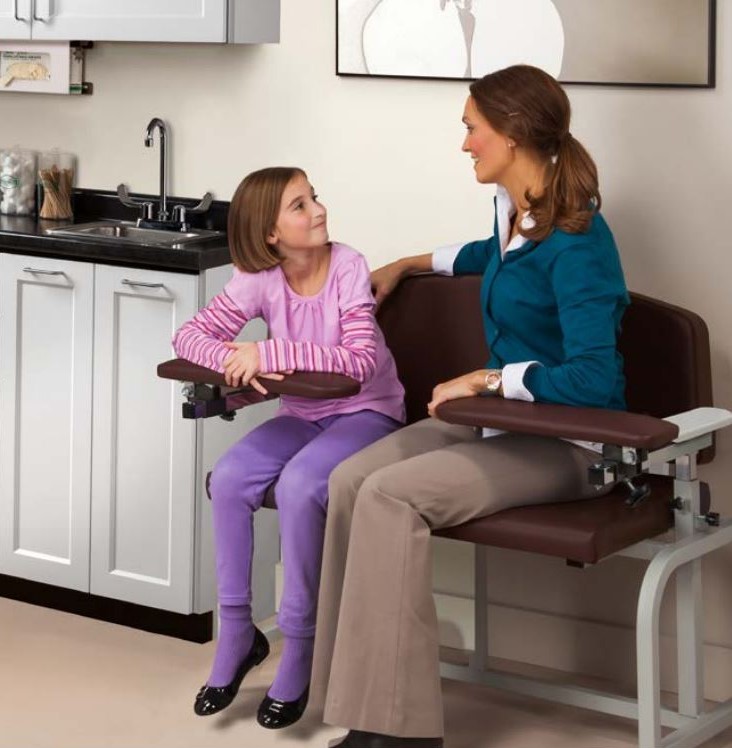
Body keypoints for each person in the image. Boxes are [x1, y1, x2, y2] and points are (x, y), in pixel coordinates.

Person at [310, 64, 629, 748]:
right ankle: (354, 704)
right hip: (500, 430)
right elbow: (495, 256)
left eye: (471, 128)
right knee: (349, 482)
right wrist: (410, 262)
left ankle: (401, 732)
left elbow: (595, 378)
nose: (465, 144)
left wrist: (490, 381)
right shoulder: (519, 216)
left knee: (393, 498)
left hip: (570, 446)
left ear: (511, 135)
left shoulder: (579, 244)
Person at [172, 167, 405, 730]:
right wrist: (236, 357)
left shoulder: (347, 266)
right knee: (228, 478)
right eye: (299, 206)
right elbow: (187, 337)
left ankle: (300, 643)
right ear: (270, 234)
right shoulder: (259, 277)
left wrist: (266, 356)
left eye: (314, 198)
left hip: (366, 413)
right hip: (301, 413)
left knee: (303, 486)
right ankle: (238, 635)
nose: (318, 210)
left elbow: (359, 361)